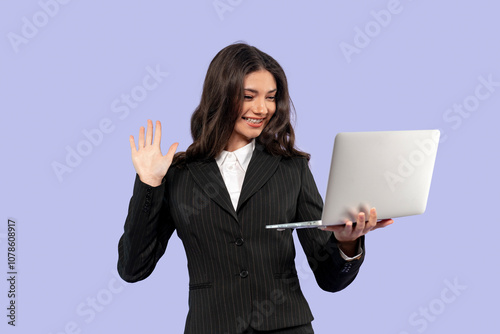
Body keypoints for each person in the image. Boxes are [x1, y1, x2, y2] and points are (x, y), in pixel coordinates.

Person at [117, 42, 393, 334]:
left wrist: (347, 243)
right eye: (249, 96)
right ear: (220, 96)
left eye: (271, 98)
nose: (262, 109)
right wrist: (149, 184)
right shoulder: (179, 174)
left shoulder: (291, 168)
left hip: (287, 327)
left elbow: (330, 280)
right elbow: (133, 268)